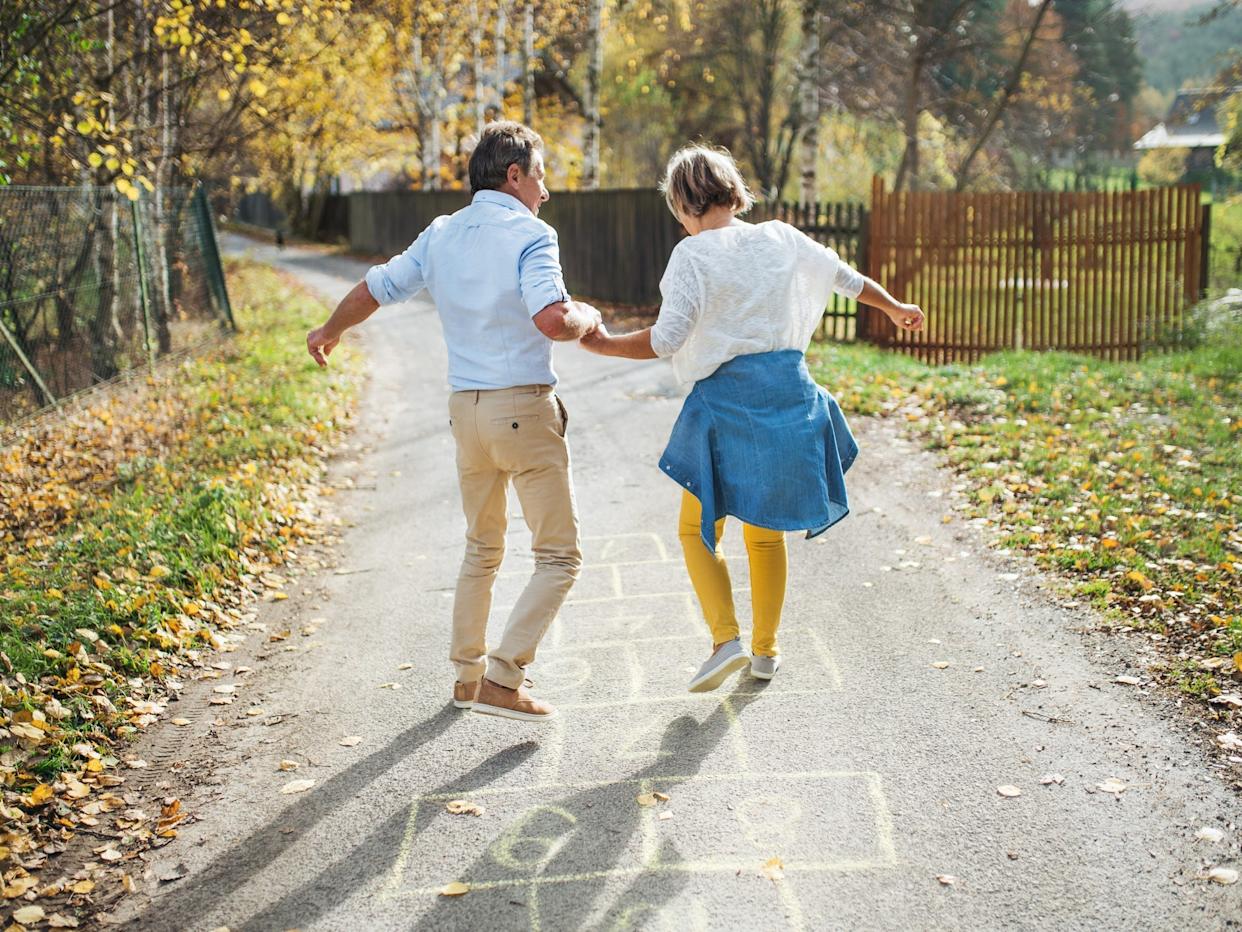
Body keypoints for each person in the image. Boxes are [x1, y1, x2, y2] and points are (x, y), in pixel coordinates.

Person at [580, 144, 925, 692]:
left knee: (697, 530)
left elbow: (667, 339)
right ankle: (766, 651)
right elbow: (848, 279)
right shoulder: (781, 237)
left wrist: (603, 343)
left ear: (682, 205)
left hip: (724, 406)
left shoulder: (691, 256)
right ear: (734, 192)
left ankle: (726, 641)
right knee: (765, 537)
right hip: (788, 398)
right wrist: (896, 307)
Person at [306, 121, 601, 722]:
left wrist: (330, 329)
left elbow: (375, 287)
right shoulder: (533, 234)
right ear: (514, 175)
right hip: (522, 409)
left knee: (482, 548)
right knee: (558, 557)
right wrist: (586, 316)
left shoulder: (441, 233)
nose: (545, 191)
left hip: (466, 413)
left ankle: (468, 678)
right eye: (540, 177)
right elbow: (551, 319)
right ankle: (504, 678)